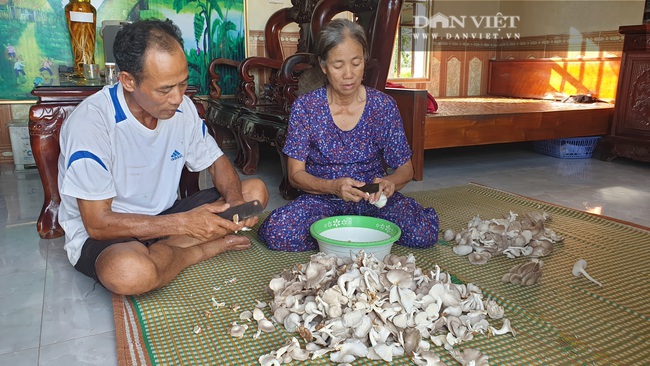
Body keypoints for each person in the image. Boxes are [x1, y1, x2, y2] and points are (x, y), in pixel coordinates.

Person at [57, 19, 268, 296]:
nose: (178, 98)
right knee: (129, 272)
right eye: (165, 89)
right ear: (128, 81)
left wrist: (235, 200)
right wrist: (184, 224)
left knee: (254, 191)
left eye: (183, 84)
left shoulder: (183, 109)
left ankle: (163, 254)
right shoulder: (91, 124)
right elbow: (97, 224)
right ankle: (195, 252)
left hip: (164, 218)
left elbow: (216, 162)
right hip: (113, 231)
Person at [258, 19, 438, 252]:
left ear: (364, 60)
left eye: (356, 63)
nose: (349, 74)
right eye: (338, 65)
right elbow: (295, 175)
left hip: (372, 199)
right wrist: (334, 187)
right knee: (277, 231)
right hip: (323, 200)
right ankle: (359, 234)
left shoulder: (383, 106)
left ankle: (335, 236)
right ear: (323, 66)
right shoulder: (306, 107)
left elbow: (406, 170)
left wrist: (388, 183)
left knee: (423, 232)